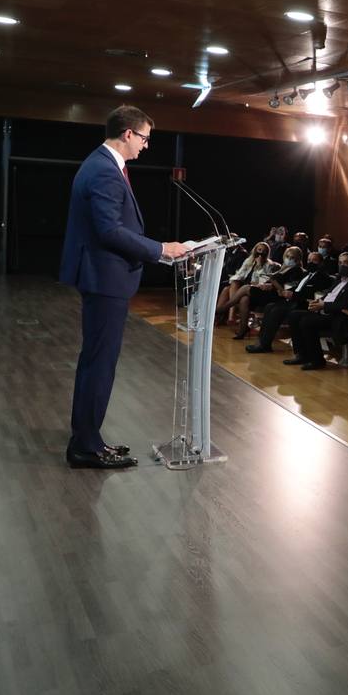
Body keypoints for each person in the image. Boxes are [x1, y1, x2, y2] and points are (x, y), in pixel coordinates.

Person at [59, 106, 188, 469]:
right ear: (128, 134)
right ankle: (85, 446)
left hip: (104, 277)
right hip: (105, 278)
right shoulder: (104, 170)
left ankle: (89, 437)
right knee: (99, 364)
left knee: (97, 362)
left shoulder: (102, 165)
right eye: (145, 138)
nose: (146, 146)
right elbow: (109, 231)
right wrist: (160, 249)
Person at [283, 250, 348, 370]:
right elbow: (329, 294)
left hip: (341, 317)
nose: (342, 265)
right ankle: (301, 354)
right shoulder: (339, 278)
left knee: (306, 321)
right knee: (294, 315)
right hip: (326, 310)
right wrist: (318, 301)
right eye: (340, 262)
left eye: (346, 263)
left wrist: (324, 306)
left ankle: (317, 360)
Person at [245, 249, 332, 353]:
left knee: (276, 310)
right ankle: (262, 342)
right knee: (270, 307)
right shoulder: (307, 274)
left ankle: (264, 344)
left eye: (314, 261)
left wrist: (293, 295)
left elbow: (312, 293)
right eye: (309, 260)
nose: (311, 263)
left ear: (320, 263)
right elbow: (297, 287)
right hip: (293, 299)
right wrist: (286, 292)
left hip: (304, 303)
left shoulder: (323, 277)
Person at [217, 241, 279, 338]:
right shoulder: (249, 261)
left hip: (256, 289)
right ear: (255, 250)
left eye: (264, 251)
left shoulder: (269, 265)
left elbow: (263, 280)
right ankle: (241, 327)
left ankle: (223, 310)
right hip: (245, 288)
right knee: (230, 289)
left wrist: (259, 266)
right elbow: (240, 274)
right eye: (259, 250)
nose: (261, 253)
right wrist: (235, 279)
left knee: (242, 293)